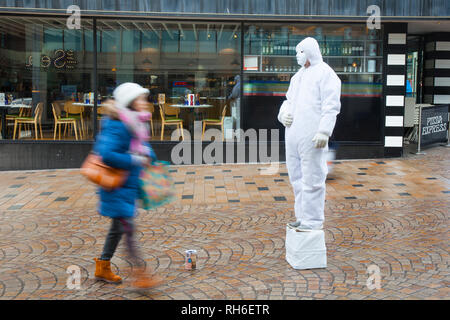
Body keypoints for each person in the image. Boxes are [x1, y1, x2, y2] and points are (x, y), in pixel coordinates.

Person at [93, 82, 161, 289]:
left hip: (126, 188)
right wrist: (135, 160)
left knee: (117, 229)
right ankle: (142, 276)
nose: (145, 103)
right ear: (130, 103)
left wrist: (151, 159)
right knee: (128, 230)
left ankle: (103, 266)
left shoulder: (134, 123)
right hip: (116, 188)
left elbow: (143, 149)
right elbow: (107, 154)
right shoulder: (117, 125)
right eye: (140, 99)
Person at [278, 37, 341, 231]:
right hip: (293, 135)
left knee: (313, 178)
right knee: (296, 178)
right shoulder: (297, 77)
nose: (298, 56)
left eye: (301, 51)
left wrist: (324, 131)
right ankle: (302, 217)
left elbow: (331, 106)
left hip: (311, 135)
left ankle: (313, 221)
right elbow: (287, 100)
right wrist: (283, 114)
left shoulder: (325, 74)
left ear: (311, 51)